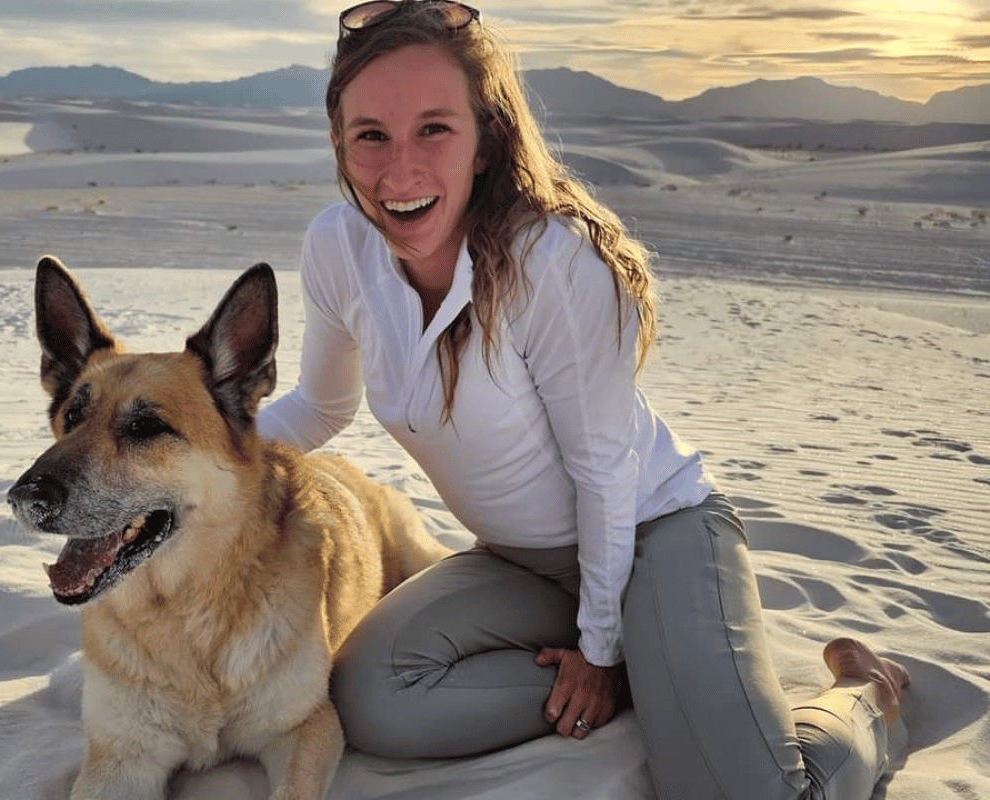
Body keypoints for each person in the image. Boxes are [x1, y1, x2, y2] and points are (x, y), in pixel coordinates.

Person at [257, 1, 912, 796]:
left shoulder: (552, 260)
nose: (400, 172)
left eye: (434, 128)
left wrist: (600, 652)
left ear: (486, 138)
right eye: (371, 136)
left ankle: (867, 694)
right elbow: (320, 410)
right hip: (518, 564)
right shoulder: (337, 246)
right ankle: (666, 681)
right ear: (338, 141)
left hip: (652, 535)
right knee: (372, 697)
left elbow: (603, 473)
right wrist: (191, 446)